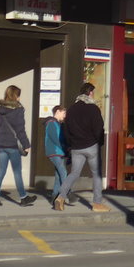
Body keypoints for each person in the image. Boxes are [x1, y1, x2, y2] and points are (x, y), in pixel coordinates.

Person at [56, 82, 109, 212]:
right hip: (91, 146)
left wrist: (71, 144)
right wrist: (99, 142)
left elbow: (66, 129)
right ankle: (97, 203)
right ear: (90, 93)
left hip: (76, 147)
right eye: (93, 93)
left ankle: (60, 197)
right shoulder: (93, 109)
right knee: (96, 174)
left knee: (74, 173)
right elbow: (99, 128)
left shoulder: (71, 109)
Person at [0, 85, 36, 207]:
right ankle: (23, 198)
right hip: (13, 145)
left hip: (0, 144)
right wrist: (26, 144)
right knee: (17, 172)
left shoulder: (1, 109)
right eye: (19, 95)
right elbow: (20, 130)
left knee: (1, 171)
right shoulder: (18, 110)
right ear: (16, 96)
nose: (19, 98)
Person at [44, 105, 68, 206]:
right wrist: (64, 147)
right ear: (57, 112)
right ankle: (67, 193)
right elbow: (56, 139)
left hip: (59, 152)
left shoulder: (58, 124)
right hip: (54, 152)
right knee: (63, 172)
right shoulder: (51, 123)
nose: (65, 116)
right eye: (64, 113)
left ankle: (54, 196)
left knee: (58, 175)